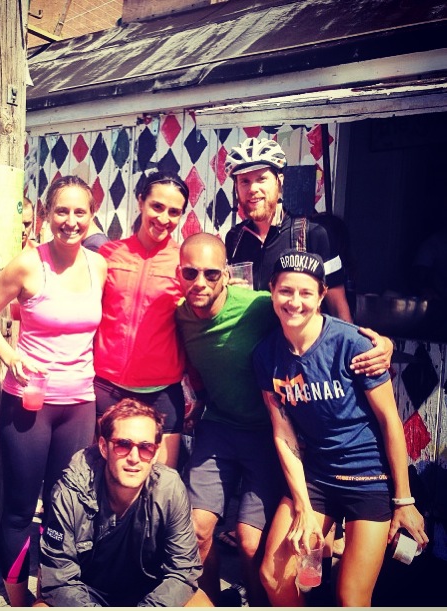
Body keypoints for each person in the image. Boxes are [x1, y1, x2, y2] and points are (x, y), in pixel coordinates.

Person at [174, 233, 393, 606]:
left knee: (254, 544)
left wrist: (382, 345)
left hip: (293, 443)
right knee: (200, 532)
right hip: (228, 429)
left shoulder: (262, 307)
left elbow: (320, 324)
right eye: (190, 272)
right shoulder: (182, 315)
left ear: (226, 274)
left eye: (211, 273)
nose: (200, 282)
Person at [253, 249, 428, 606]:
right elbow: (283, 433)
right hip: (317, 477)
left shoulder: (353, 343)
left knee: (350, 597)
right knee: (273, 575)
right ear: (272, 291)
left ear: (321, 296)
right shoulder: (266, 355)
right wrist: (302, 505)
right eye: (286, 291)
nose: (295, 302)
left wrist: (404, 500)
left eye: (306, 293)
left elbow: (390, 420)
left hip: (368, 480)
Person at [0, 175, 107, 607]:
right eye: (61, 211)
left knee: (63, 506)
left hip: (80, 402)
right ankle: (17, 601)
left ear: (92, 215)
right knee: (19, 507)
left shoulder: (98, 265)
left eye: (80, 211)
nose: (71, 220)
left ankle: (50, 595)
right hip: (29, 403)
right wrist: (9, 355)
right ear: (47, 214)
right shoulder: (29, 264)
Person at [37, 398, 212, 607]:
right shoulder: (70, 491)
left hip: (150, 593)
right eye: (123, 445)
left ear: (155, 453)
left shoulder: (170, 489)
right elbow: (58, 579)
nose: (134, 458)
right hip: (84, 593)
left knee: (201, 604)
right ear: (104, 447)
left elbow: (183, 571)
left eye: (145, 447)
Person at [93, 170, 190, 468]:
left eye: (174, 212)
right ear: (140, 202)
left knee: (162, 483)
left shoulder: (185, 263)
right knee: (102, 478)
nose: (164, 218)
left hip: (162, 393)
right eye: (157, 206)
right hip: (107, 388)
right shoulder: (109, 254)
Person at [224, 137, 353, 321]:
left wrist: (351, 339)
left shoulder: (314, 235)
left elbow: (339, 310)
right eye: (244, 181)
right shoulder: (235, 238)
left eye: (262, 179)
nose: (252, 188)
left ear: (280, 181)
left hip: (298, 340)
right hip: (250, 339)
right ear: (236, 187)